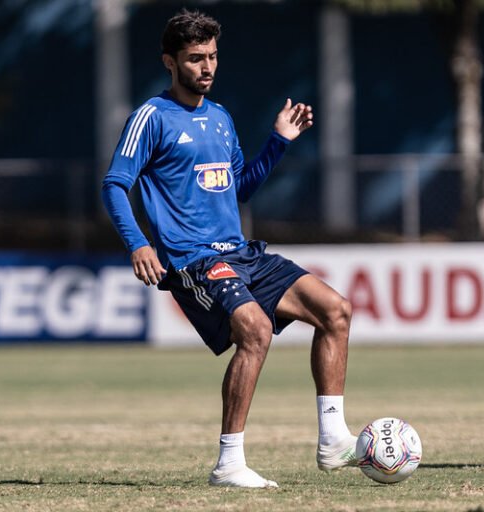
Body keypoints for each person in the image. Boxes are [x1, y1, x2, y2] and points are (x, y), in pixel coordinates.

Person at [102, 9, 357, 488]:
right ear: (169, 62)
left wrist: (279, 141)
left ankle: (333, 441)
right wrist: (137, 244)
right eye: (195, 58)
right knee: (255, 330)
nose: (207, 67)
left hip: (240, 253)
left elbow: (239, 189)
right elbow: (115, 184)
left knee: (336, 310)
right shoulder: (151, 117)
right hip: (193, 260)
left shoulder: (220, 117)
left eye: (213, 56)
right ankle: (229, 463)